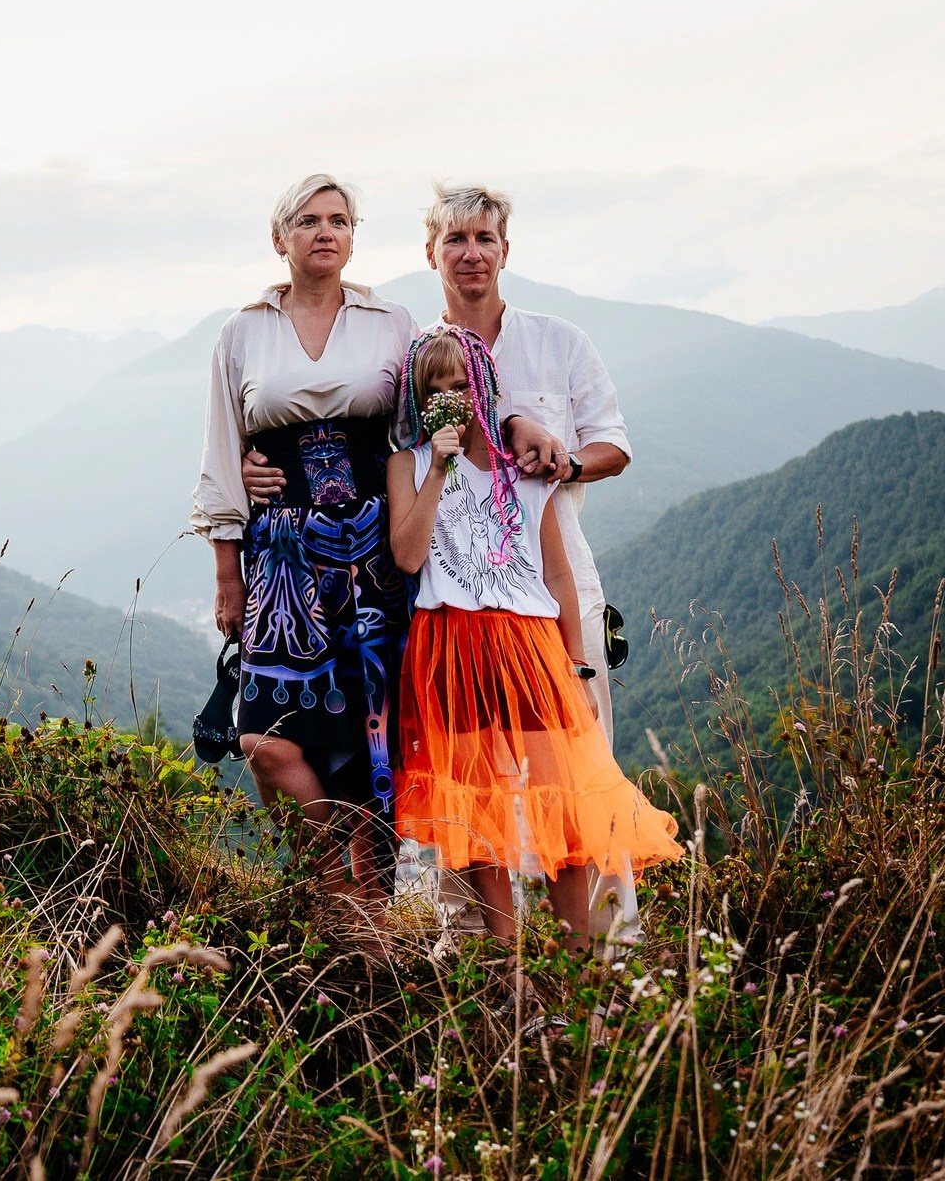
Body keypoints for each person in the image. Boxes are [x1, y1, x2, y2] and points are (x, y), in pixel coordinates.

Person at [384, 324, 681, 944]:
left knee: (562, 794)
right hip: (452, 644)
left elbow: (557, 575)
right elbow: (409, 558)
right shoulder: (406, 464)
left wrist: (576, 665)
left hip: (532, 646)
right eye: (435, 389)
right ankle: (506, 960)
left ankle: (576, 956)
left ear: (485, 388)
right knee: (475, 805)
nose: (451, 398)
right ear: (417, 400)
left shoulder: (524, 470)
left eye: (462, 384)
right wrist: (437, 467)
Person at [192, 174, 418, 906]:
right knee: (265, 736)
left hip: (375, 551)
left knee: (372, 740)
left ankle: (370, 916)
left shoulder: (391, 321)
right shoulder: (243, 330)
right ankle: (327, 886)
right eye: (310, 220)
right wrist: (228, 572)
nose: (327, 231)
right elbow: (223, 452)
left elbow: (415, 435)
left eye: (340, 220)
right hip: (282, 552)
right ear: (279, 237)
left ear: (354, 236)